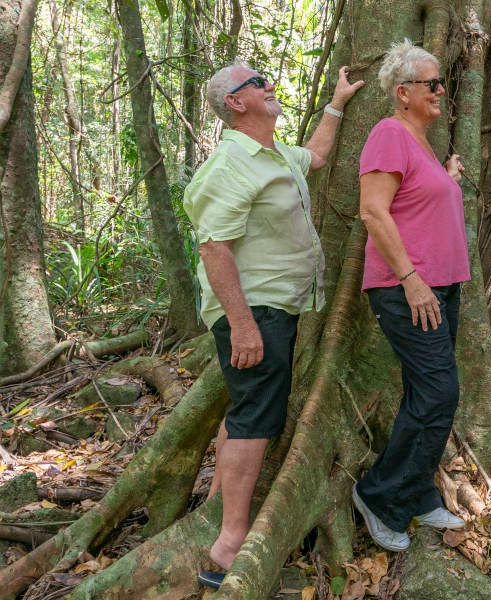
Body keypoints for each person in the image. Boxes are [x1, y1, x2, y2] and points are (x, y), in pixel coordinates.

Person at [183, 61, 363, 589]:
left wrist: (337, 102)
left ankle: (219, 507)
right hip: (253, 307)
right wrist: (241, 324)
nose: (268, 85)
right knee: (258, 414)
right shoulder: (229, 164)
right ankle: (231, 543)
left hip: (274, 307)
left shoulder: (275, 155)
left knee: (247, 406)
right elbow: (214, 247)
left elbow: (321, 155)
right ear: (236, 103)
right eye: (256, 82)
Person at [352, 39, 470, 552]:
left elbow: (416, 206)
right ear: (403, 92)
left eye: (441, 82)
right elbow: (374, 212)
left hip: (441, 286)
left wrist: (447, 180)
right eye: (433, 83)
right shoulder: (388, 134)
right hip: (409, 290)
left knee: (428, 392)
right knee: (439, 393)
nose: (442, 90)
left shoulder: (420, 142)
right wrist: (411, 279)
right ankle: (380, 497)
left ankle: (418, 490)